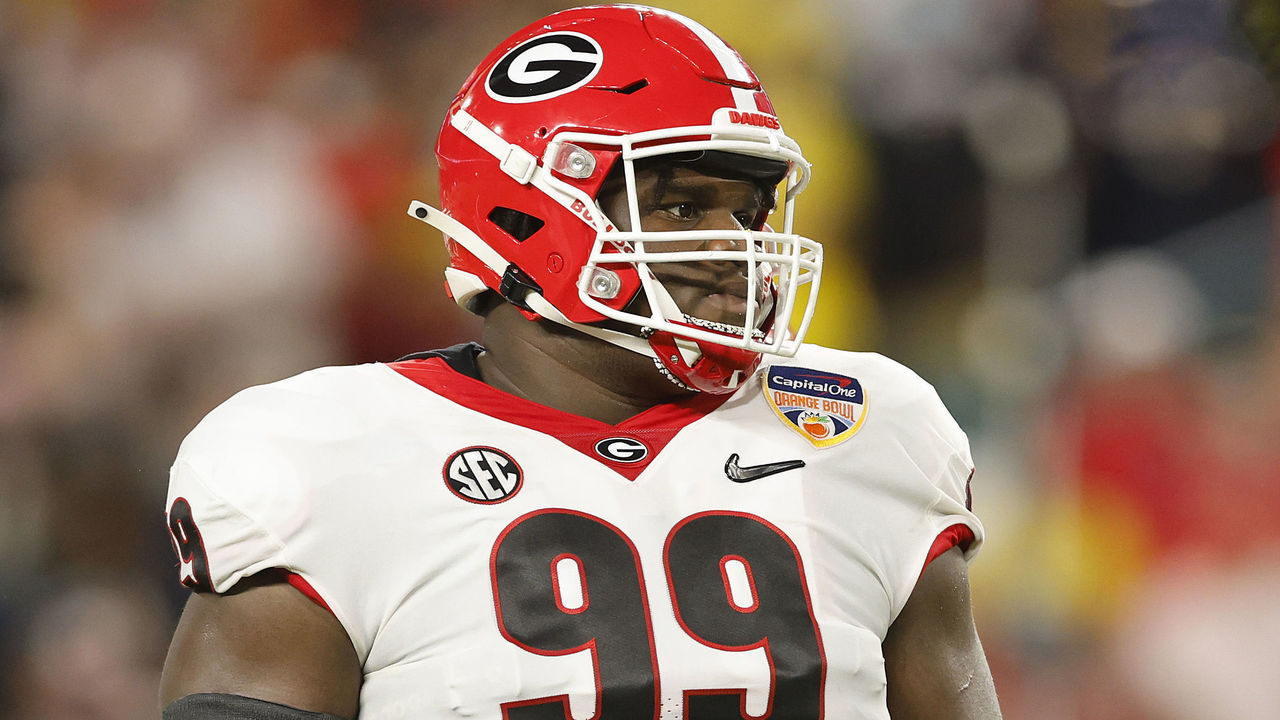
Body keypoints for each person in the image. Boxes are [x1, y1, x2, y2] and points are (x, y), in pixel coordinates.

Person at [158, 5, 1002, 719]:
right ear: (525, 216)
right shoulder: (324, 459)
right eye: (680, 205)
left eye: (747, 210)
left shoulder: (869, 423)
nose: (738, 248)